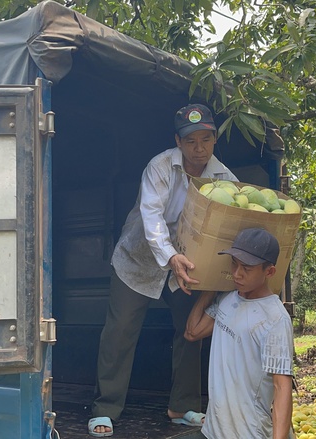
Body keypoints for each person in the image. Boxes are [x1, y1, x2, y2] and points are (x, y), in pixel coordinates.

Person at [88, 103, 238, 437]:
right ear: (178, 141)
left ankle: (182, 406)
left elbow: (232, 224)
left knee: (190, 330)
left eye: (205, 140)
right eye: (190, 141)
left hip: (186, 264)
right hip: (138, 260)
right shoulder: (160, 167)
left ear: (215, 139)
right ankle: (105, 409)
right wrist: (171, 258)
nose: (199, 148)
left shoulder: (226, 180)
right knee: (119, 331)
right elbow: (152, 218)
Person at [184, 228, 295, 439]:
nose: (237, 273)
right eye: (234, 264)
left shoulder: (275, 319)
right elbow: (192, 332)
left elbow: (282, 388)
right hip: (214, 432)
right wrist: (210, 288)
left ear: (269, 272)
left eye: (247, 268)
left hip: (249, 433)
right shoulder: (227, 300)